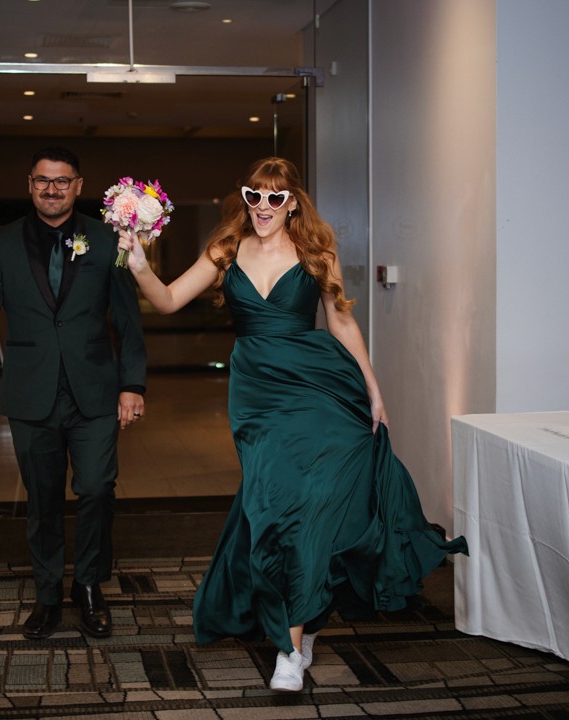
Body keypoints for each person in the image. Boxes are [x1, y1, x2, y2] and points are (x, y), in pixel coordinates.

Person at [116, 157, 466, 692]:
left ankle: (290, 644)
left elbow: (342, 320)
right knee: (273, 505)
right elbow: (165, 301)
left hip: (320, 388)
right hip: (257, 394)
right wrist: (139, 263)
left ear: (292, 204)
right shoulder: (225, 250)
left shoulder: (314, 251)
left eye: (275, 199)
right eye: (254, 196)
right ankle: (301, 624)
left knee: (310, 505)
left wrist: (373, 389)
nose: (263, 207)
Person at [0, 147, 147, 640]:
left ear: (79, 185)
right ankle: (47, 596)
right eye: (42, 181)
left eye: (62, 182)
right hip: (31, 391)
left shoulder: (108, 240)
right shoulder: (2, 242)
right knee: (42, 499)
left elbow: (127, 317)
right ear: (29, 183)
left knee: (98, 488)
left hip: (95, 391)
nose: (52, 190)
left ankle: (92, 588)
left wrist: (132, 383)